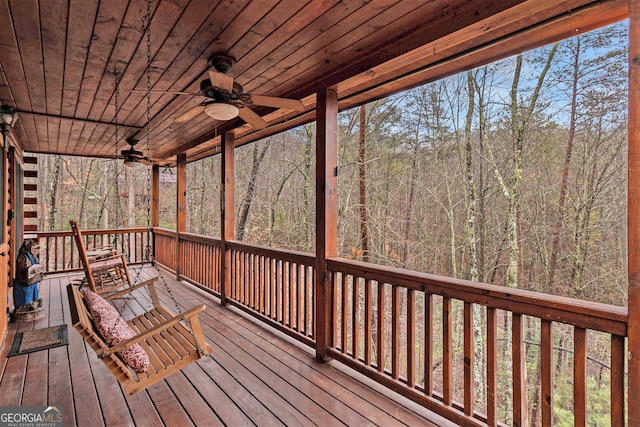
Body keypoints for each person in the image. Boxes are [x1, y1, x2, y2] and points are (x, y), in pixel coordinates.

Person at [13, 239, 42, 311]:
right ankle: (24, 306)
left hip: (32, 280)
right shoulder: (23, 257)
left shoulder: (34, 256)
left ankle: (33, 303)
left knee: (33, 293)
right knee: (25, 296)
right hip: (24, 281)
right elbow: (22, 271)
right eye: (35, 248)